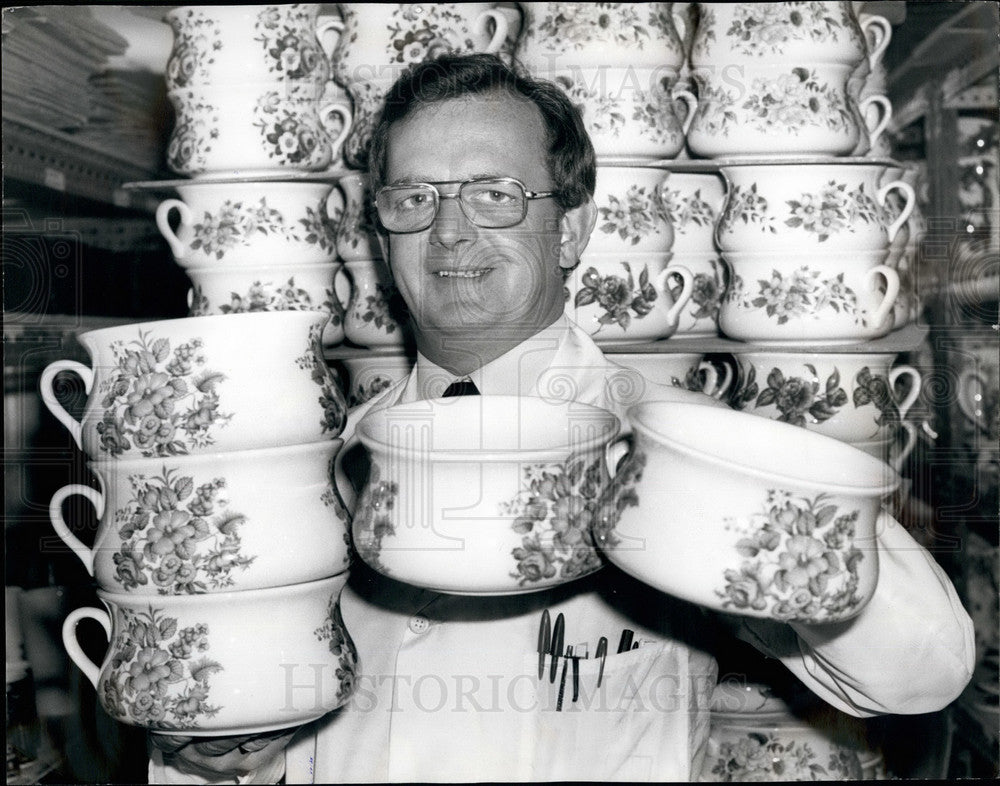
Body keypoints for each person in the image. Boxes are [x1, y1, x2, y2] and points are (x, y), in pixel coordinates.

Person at [151, 54, 974, 784]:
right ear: (381, 232)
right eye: (412, 197)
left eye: (495, 195)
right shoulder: (318, 467)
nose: (449, 230)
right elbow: (264, 727)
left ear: (572, 227)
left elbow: (921, 670)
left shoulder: (673, 440)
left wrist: (742, 533)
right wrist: (218, 749)